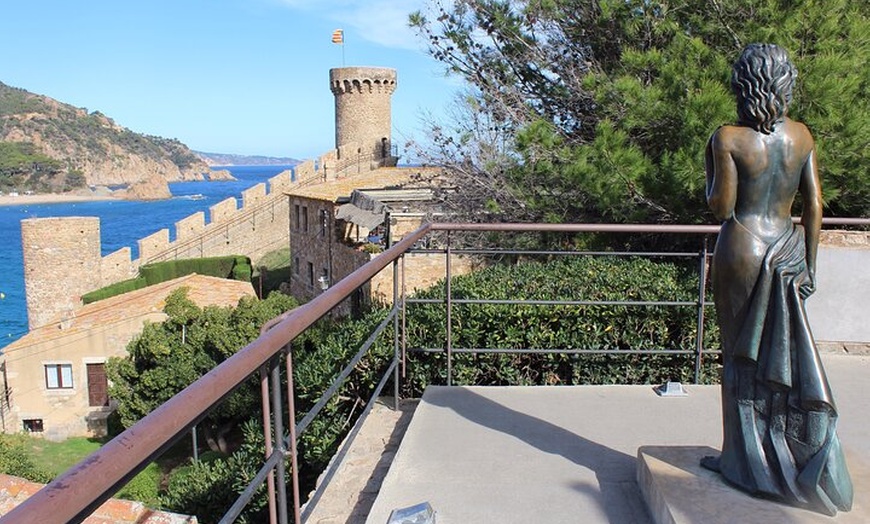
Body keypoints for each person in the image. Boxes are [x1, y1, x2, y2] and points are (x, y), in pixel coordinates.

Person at [702, 43, 852, 515]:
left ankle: (740, 462)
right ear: (785, 82)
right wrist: (809, 264)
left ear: (743, 85)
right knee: (777, 355)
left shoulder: (727, 137)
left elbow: (720, 208)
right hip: (786, 248)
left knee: (739, 358)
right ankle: (772, 458)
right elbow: (815, 206)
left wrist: (713, 167)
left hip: (744, 247)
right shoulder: (803, 136)